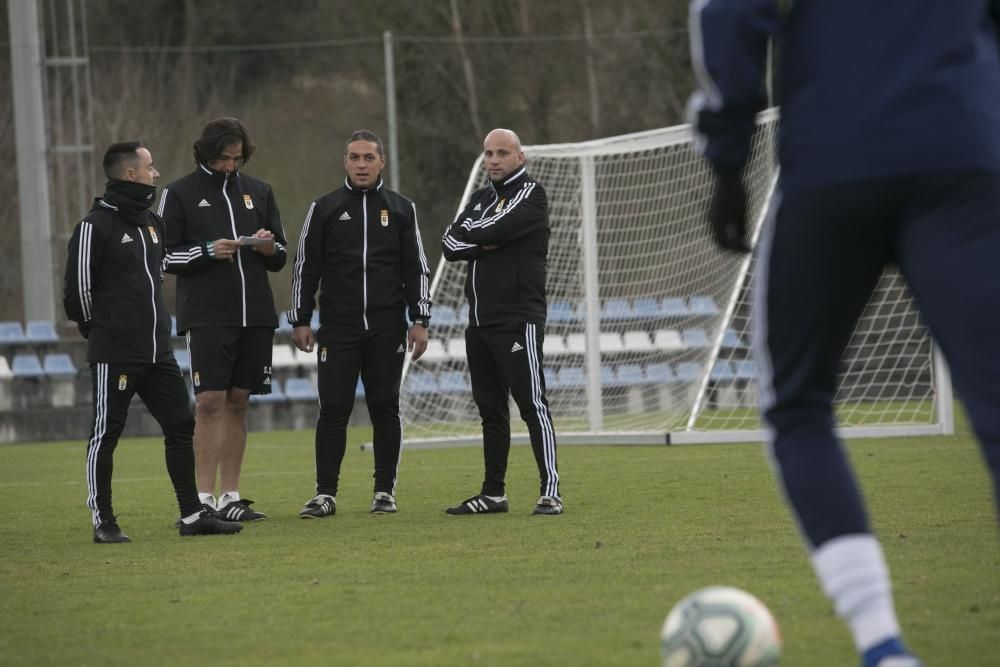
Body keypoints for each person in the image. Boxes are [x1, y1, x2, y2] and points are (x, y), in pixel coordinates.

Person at [688, 2, 1000, 665]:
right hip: (964, 155)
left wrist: (726, 157)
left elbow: (733, 11)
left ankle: (882, 645)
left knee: (797, 403)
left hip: (836, 160)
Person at [63, 141, 243, 542]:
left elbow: (163, 265)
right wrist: (102, 331)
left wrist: (208, 252)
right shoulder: (94, 226)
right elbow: (77, 293)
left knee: (181, 425)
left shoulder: (150, 222)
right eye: (150, 166)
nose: (156, 173)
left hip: (157, 351)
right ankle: (104, 522)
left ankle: (192, 516)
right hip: (116, 352)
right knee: (106, 433)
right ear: (130, 174)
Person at [288, 129, 431, 517]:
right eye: (355, 157)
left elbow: (416, 267)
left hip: (387, 327)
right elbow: (306, 267)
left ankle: (384, 491)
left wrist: (420, 318)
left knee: (385, 406)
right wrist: (300, 319)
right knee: (333, 408)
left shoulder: (402, 209)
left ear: (381, 161)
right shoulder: (325, 207)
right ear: (345, 162)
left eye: (369, 157)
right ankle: (325, 494)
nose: (362, 164)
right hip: (338, 327)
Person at [159, 117, 287, 522]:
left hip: (256, 316)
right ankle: (203, 499)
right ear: (206, 154)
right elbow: (161, 256)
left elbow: (281, 255)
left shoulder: (260, 191)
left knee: (239, 403)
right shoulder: (178, 194)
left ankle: (231, 496)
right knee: (209, 402)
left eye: (237, 159)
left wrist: (268, 249)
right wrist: (206, 251)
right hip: (207, 316)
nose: (231, 166)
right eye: (224, 159)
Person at [441, 128, 562, 516]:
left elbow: (496, 230)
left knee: (532, 404)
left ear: (519, 157)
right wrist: (483, 240)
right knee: (490, 410)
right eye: (489, 153)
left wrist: (477, 237)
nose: (494, 160)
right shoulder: (479, 199)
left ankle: (551, 491)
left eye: (502, 153)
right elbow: (449, 243)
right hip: (478, 321)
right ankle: (493, 494)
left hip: (517, 319)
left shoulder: (532, 194)